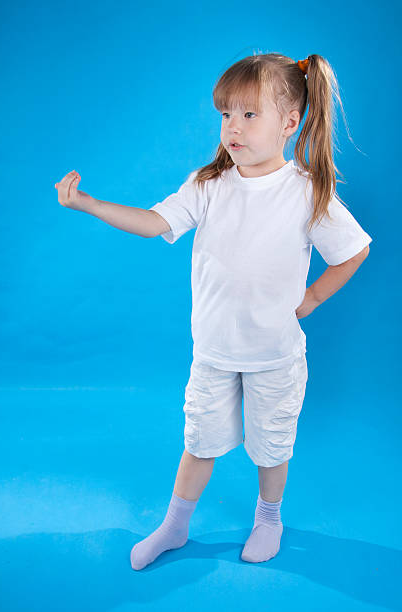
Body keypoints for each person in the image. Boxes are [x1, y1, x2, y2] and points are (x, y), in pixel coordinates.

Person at [54, 53, 373, 570]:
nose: (233, 128)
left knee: (272, 447)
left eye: (250, 115)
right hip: (215, 351)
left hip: (275, 354)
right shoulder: (207, 185)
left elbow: (354, 249)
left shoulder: (306, 190)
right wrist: (91, 204)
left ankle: (268, 518)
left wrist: (312, 298)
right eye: (226, 114)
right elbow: (156, 221)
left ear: (290, 123)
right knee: (199, 440)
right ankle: (175, 526)